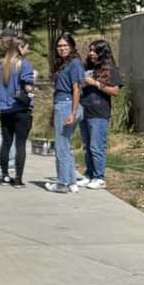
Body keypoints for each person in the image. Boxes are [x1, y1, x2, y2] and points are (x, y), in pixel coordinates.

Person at [0, 35, 36, 186]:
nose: (28, 50)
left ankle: (4, 175)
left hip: (5, 109)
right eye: (26, 47)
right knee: (20, 144)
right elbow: (28, 85)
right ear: (20, 48)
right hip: (20, 108)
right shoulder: (23, 64)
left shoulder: (0, 65)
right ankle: (18, 178)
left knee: (6, 142)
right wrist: (31, 93)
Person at [81, 40, 123, 189]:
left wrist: (95, 83)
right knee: (87, 146)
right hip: (84, 111)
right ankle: (89, 174)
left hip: (99, 113)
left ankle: (99, 177)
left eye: (95, 51)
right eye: (90, 50)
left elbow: (115, 91)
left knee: (96, 146)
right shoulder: (87, 68)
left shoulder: (110, 69)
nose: (91, 54)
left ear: (102, 53)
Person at [46, 33, 85, 194]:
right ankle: (71, 181)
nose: (62, 49)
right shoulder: (64, 64)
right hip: (62, 105)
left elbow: (77, 88)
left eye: (65, 46)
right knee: (66, 146)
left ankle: (62, 183)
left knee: (61, 147)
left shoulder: (75, 64)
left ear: (72, 47)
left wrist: (73, 112)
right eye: (59, 46)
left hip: (67, 105)